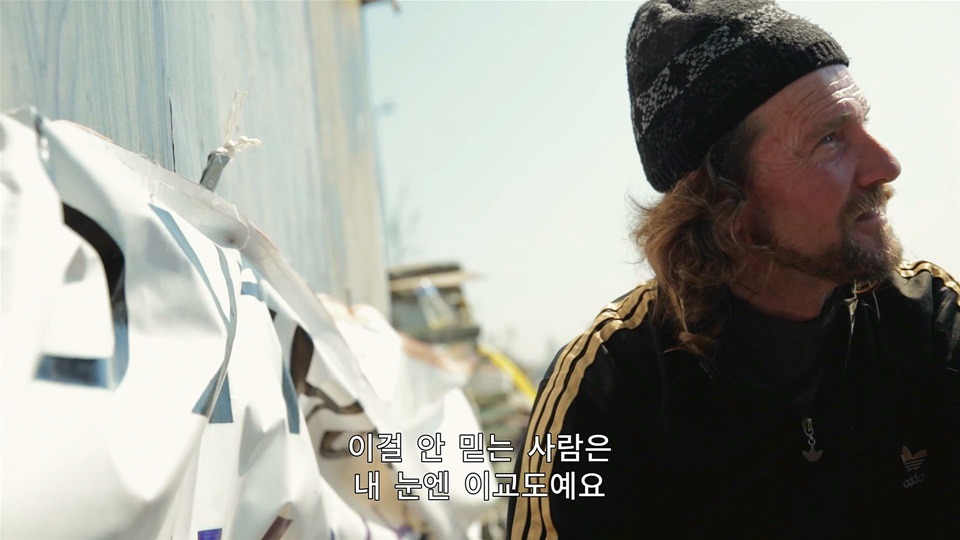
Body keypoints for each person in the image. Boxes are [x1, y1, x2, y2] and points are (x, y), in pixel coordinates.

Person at [507, 0, 959, 537]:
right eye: (829, 139)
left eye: (864, 123)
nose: (886, 165)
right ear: (725, 204)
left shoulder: (930, 320)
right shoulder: (607, 390)